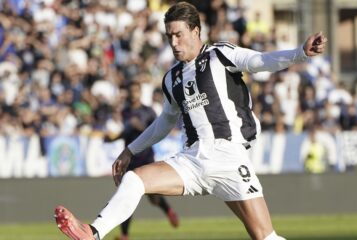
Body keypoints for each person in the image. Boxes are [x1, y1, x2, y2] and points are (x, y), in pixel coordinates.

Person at [54, 2, 327, 240]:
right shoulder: (171, 78)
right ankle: (94, 232)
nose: (174, 43)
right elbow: (164, 122)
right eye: (169, 36)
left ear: (196, 31)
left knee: (264, 236)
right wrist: (130, 150)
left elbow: (261, 60)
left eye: (179, 35)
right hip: (192, 160)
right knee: (135, 179)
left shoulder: (221, 55)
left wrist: (300, 53)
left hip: (228, 157)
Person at [105, 82, 179, 240]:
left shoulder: (148, 111)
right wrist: (112, 138)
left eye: (135, 91)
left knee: (153, 198)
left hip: (146, 157)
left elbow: (155, 132)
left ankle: (168, 211)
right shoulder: (124, 112)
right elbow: (125, 133)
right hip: (130, 160)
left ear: (139, 92)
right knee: (126, 196)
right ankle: (124, 235)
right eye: (131, 91)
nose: (133, 94)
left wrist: (138, 126)